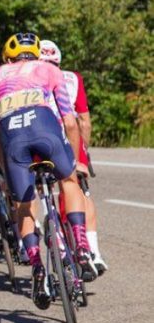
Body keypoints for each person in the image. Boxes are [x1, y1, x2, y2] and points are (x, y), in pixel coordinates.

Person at [0, 32, 96, 310]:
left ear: (7, 57)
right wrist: (73, 160)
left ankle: (35, 264)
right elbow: (70, 123)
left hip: (14, 144)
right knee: (69, 181)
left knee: (23, 205)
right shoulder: (48, 69)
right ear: (36, 52)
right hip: (46, 132)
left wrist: (3, 166)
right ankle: (82, 247)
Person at [39, 39, 108, 275]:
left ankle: (57, 241)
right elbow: (84, 121)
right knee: (79, 191)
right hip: (71, 138)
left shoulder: (30, 75)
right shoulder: (72, 77)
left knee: (44, 192)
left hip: (41, 137)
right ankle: (94, 252)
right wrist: (83, 151)